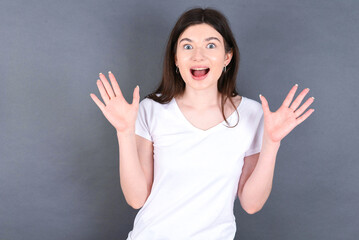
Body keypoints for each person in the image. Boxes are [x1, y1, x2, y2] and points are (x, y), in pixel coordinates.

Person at [90, 7, 315, 240]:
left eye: (210, 45)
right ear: (176, 58)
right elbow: (136, 199)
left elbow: (251, 204)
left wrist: (272, 142)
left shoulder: (252, 114)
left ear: (227, 57)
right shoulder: (151, 109)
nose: (198, 56)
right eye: (187, 46)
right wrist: (124, 132)